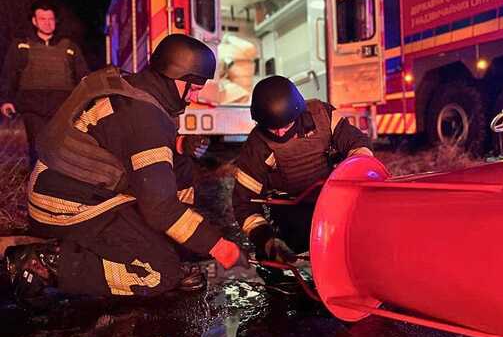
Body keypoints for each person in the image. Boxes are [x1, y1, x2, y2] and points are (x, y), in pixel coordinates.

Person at [3, 34, 248, 303]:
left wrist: (178, 144)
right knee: (160, 271)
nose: (197, 93)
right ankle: (45, 263)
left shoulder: (134, 89)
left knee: (178, 170)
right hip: (65, 207)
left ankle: (172, 241)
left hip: (66, 187)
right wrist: (221, 247)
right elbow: (160, 209)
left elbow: (122, 139)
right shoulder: (145, 116)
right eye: (195, 85)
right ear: (176, 76)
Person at [232, 76, 373, 264]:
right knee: (285, 262)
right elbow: (244, 204)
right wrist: (267, 241)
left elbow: (358, 144)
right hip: (290, 213)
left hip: (333, 200)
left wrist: (353, 174)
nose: (281, 133)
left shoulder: (322, 116)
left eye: (286, 125)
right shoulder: (256, 149)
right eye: (273, 129)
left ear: (297, 113)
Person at [0, 0, 90, 165]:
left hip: (63, 106)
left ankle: (62, 186)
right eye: (42, 19)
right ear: (34, 21)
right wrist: (6, 100)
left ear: (55, 21)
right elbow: (9, 74)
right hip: (32, 106)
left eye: (50, 19)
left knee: (62, 148)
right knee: (38, 146)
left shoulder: (69, 47)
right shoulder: (21, 45)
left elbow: (83, 77)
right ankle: (38, 185)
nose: (47, 23)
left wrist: (88, 102)